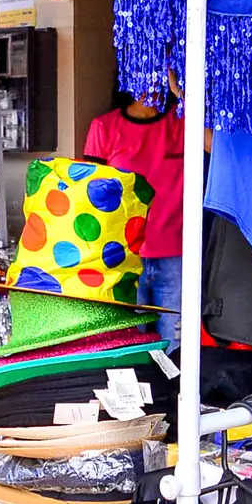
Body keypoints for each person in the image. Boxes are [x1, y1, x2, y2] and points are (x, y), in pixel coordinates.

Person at [84, 90, 184, 346]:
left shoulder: (183, 119)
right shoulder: (104, 127)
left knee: (176, 347)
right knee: (128, 344)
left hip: (176, 252)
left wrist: (181, 93)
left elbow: (213, 146)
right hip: (123, 254)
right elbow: (92, 195)